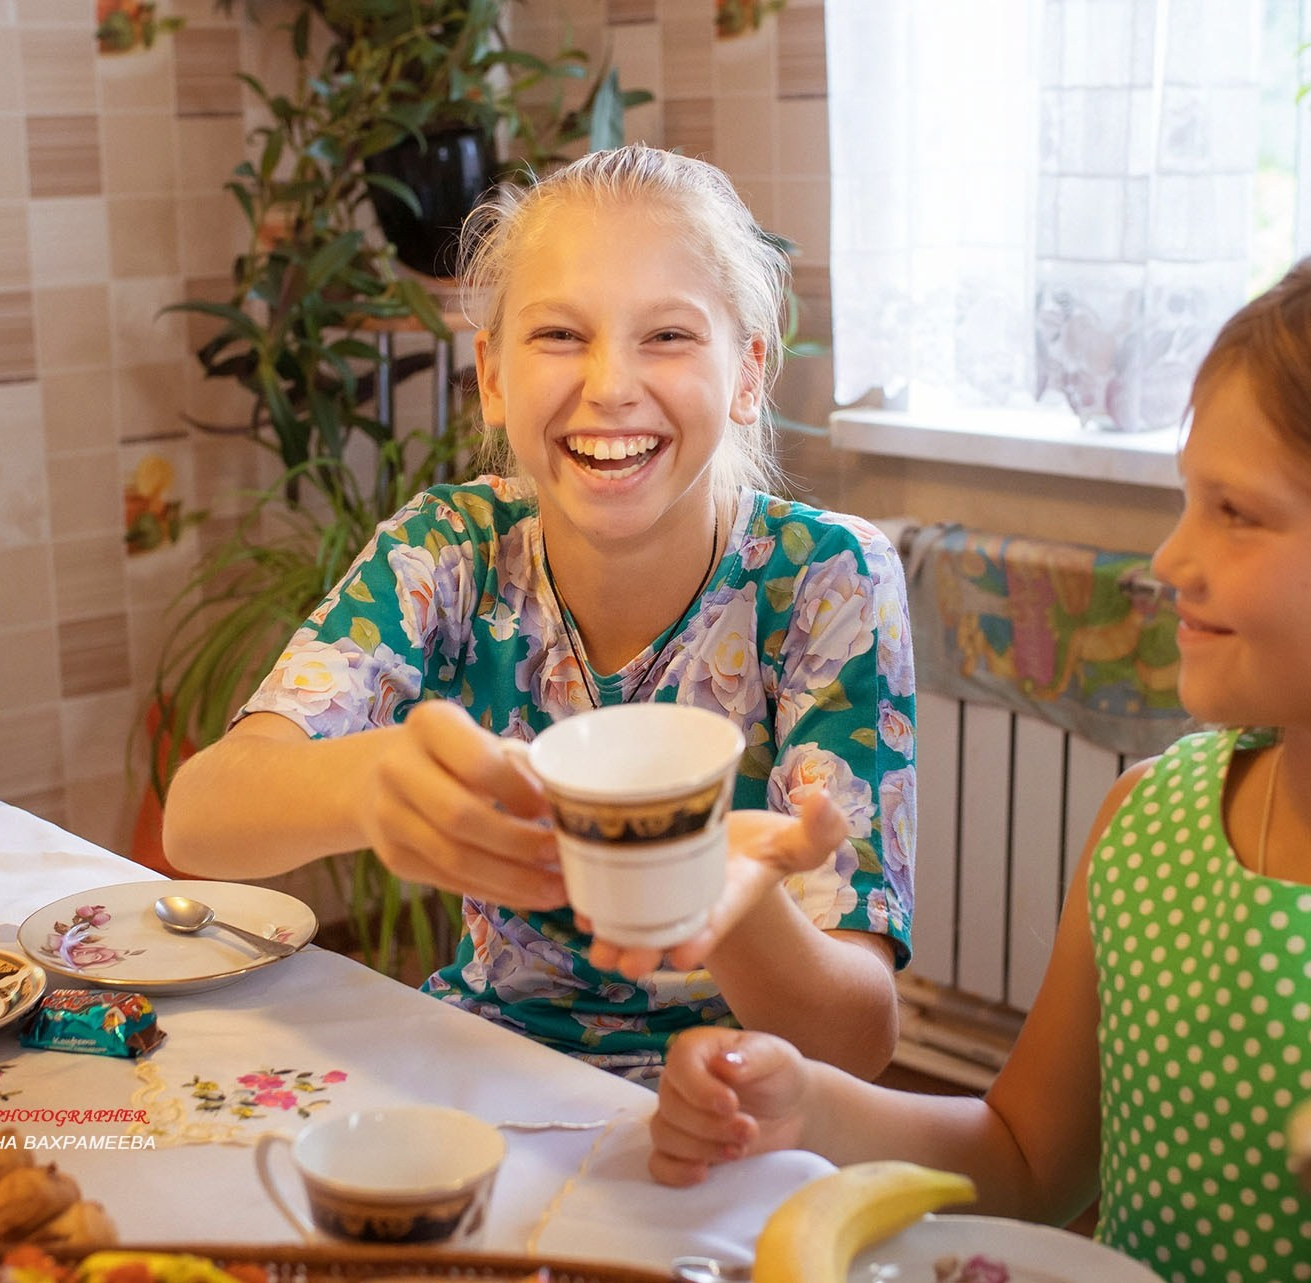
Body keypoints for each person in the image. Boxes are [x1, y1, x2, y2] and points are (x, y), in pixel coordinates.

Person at [647, 232, 1311, 1279]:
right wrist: (807, 1102)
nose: (1173, 557)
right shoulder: (1151, 817)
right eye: (1188, 496)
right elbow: (1025, 1160)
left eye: (1238, 514)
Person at [162, 144, 917, 1086]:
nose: (609, 385)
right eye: (560, 335)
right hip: (481, 1075)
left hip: (730, 1108)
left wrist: (722, 894)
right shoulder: (450, 550)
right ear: (491, 374)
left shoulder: (828, 581)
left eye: (669, 337)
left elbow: (856, 1037)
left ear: (748, 375)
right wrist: (365, 784)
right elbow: (198, 820)